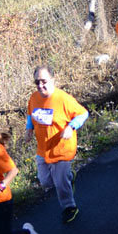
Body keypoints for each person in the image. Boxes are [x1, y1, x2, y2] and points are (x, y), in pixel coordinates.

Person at [26, 66, 89, 223]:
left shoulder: (63, 99)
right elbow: (30, 113)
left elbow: (83, 113)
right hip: (43, 148)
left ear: (53, 80)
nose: (40, 85)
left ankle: (70, 207)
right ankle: (69, 176)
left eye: (44, 81)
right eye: (37, 82)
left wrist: (71, 126)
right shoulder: (34, 97)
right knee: (46, 181)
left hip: (61, 148)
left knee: (60, 183)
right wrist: (29, 129)